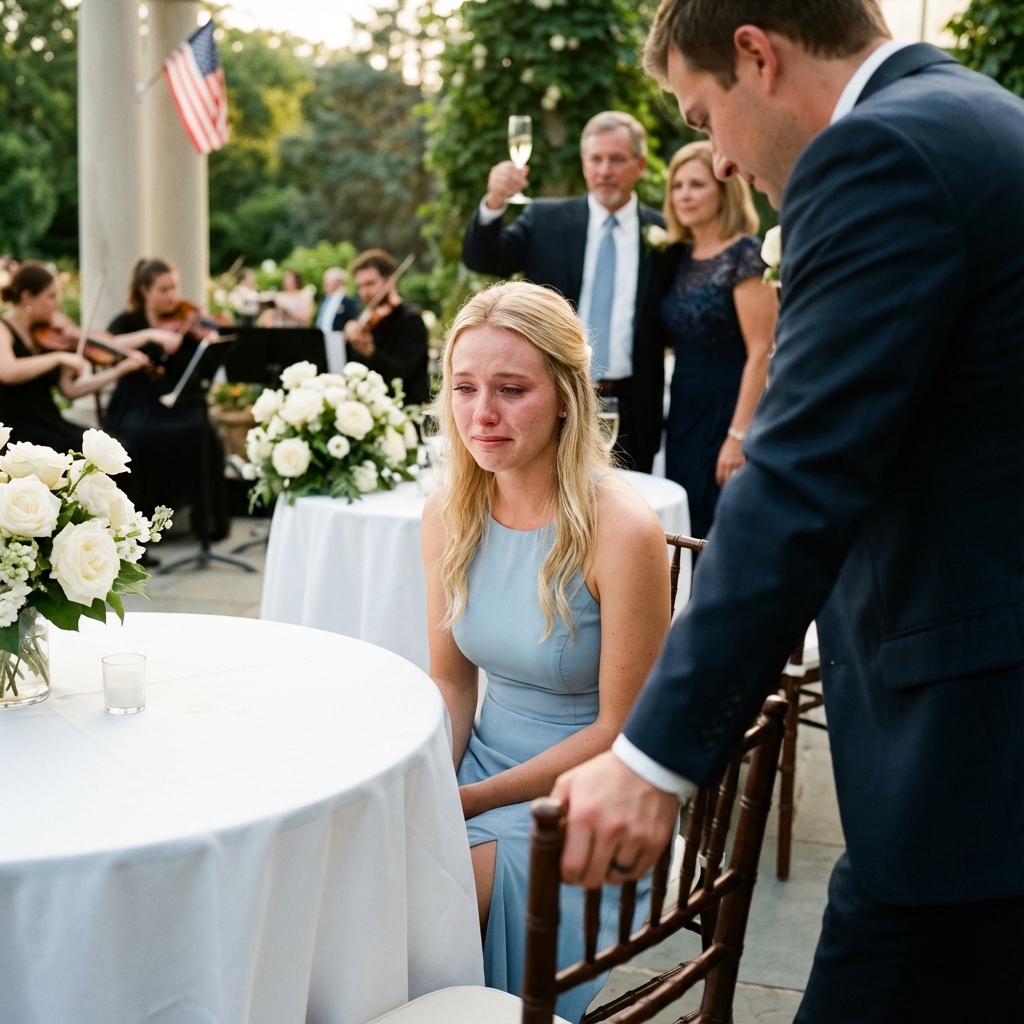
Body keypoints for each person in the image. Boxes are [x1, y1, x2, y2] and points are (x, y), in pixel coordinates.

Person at [551, 2, 1024, 1021]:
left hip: (971, 758)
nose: (715, 159)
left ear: (756, 56)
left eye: (699, 113)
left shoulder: (878, 155)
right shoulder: (977, 114)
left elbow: (799, 480)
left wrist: (649, 756)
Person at [421, 281, 670, 1021]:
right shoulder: (448, 513)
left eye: (510, 389)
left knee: (430, 905)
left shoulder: (621, 528)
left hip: (590, 796)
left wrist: (464, 802)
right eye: (464, 388)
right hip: (478, 770)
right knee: (363, 875)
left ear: (566, 394)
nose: (482, 415)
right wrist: (429, 782)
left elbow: (619, 731)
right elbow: (451, 682)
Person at [461, 111, 671, 473]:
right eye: (596, 159)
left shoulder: (666, 234)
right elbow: (483, 258)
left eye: (617, 159)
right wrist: (494, 201)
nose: (605, 170)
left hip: (634, 407)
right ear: (584, 163)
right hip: (554, 400)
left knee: (629, 515)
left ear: (640, 164)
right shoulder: (545, 220)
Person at [660, 140, 777, 539]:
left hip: (728, 407)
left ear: (723, 191)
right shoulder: (681, 255)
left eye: (696, 184)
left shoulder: (744, 254)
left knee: (719, 528)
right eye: (677, 186)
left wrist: (738, 435)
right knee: (684, 523)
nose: (684, 195)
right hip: (684, 409)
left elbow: (763, 348)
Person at [105, 258, 230, 539]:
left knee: (205, 434)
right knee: (139, 438)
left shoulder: (186, 320)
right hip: (136, 404)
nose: (172, 296)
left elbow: (196, 370)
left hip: (177, 401)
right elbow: (105, 345)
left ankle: (207, 518)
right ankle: (143, 522)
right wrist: (152, 334)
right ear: (144, 291)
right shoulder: (128, 322)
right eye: (163, 290)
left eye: (174, 288)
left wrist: (203, 339)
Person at [0, 261, 155, 450]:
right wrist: (59, 358)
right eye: (51, 296)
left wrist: (120, 370)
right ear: (27, 297)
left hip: (49, 423)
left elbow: (71, 391)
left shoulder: (49, 336)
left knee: (118, 448)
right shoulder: (3, 329)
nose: (58, 303)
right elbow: (7, 371)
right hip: (15, 430)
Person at [343, 249, 429, 405]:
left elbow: (405, 372)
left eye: (370, 284)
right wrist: (351, 343)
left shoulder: (411, 320)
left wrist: (371, 353)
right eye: (360, 286)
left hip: (406, 409)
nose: (364, 292)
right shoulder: (366, 321)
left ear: (391, 281)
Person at [315, 266, 358, 374]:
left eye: (328, 282)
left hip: (338, 343)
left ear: (338, 282)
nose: (325, 285)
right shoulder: (325, 300)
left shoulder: (347, 301)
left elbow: (353, 320)